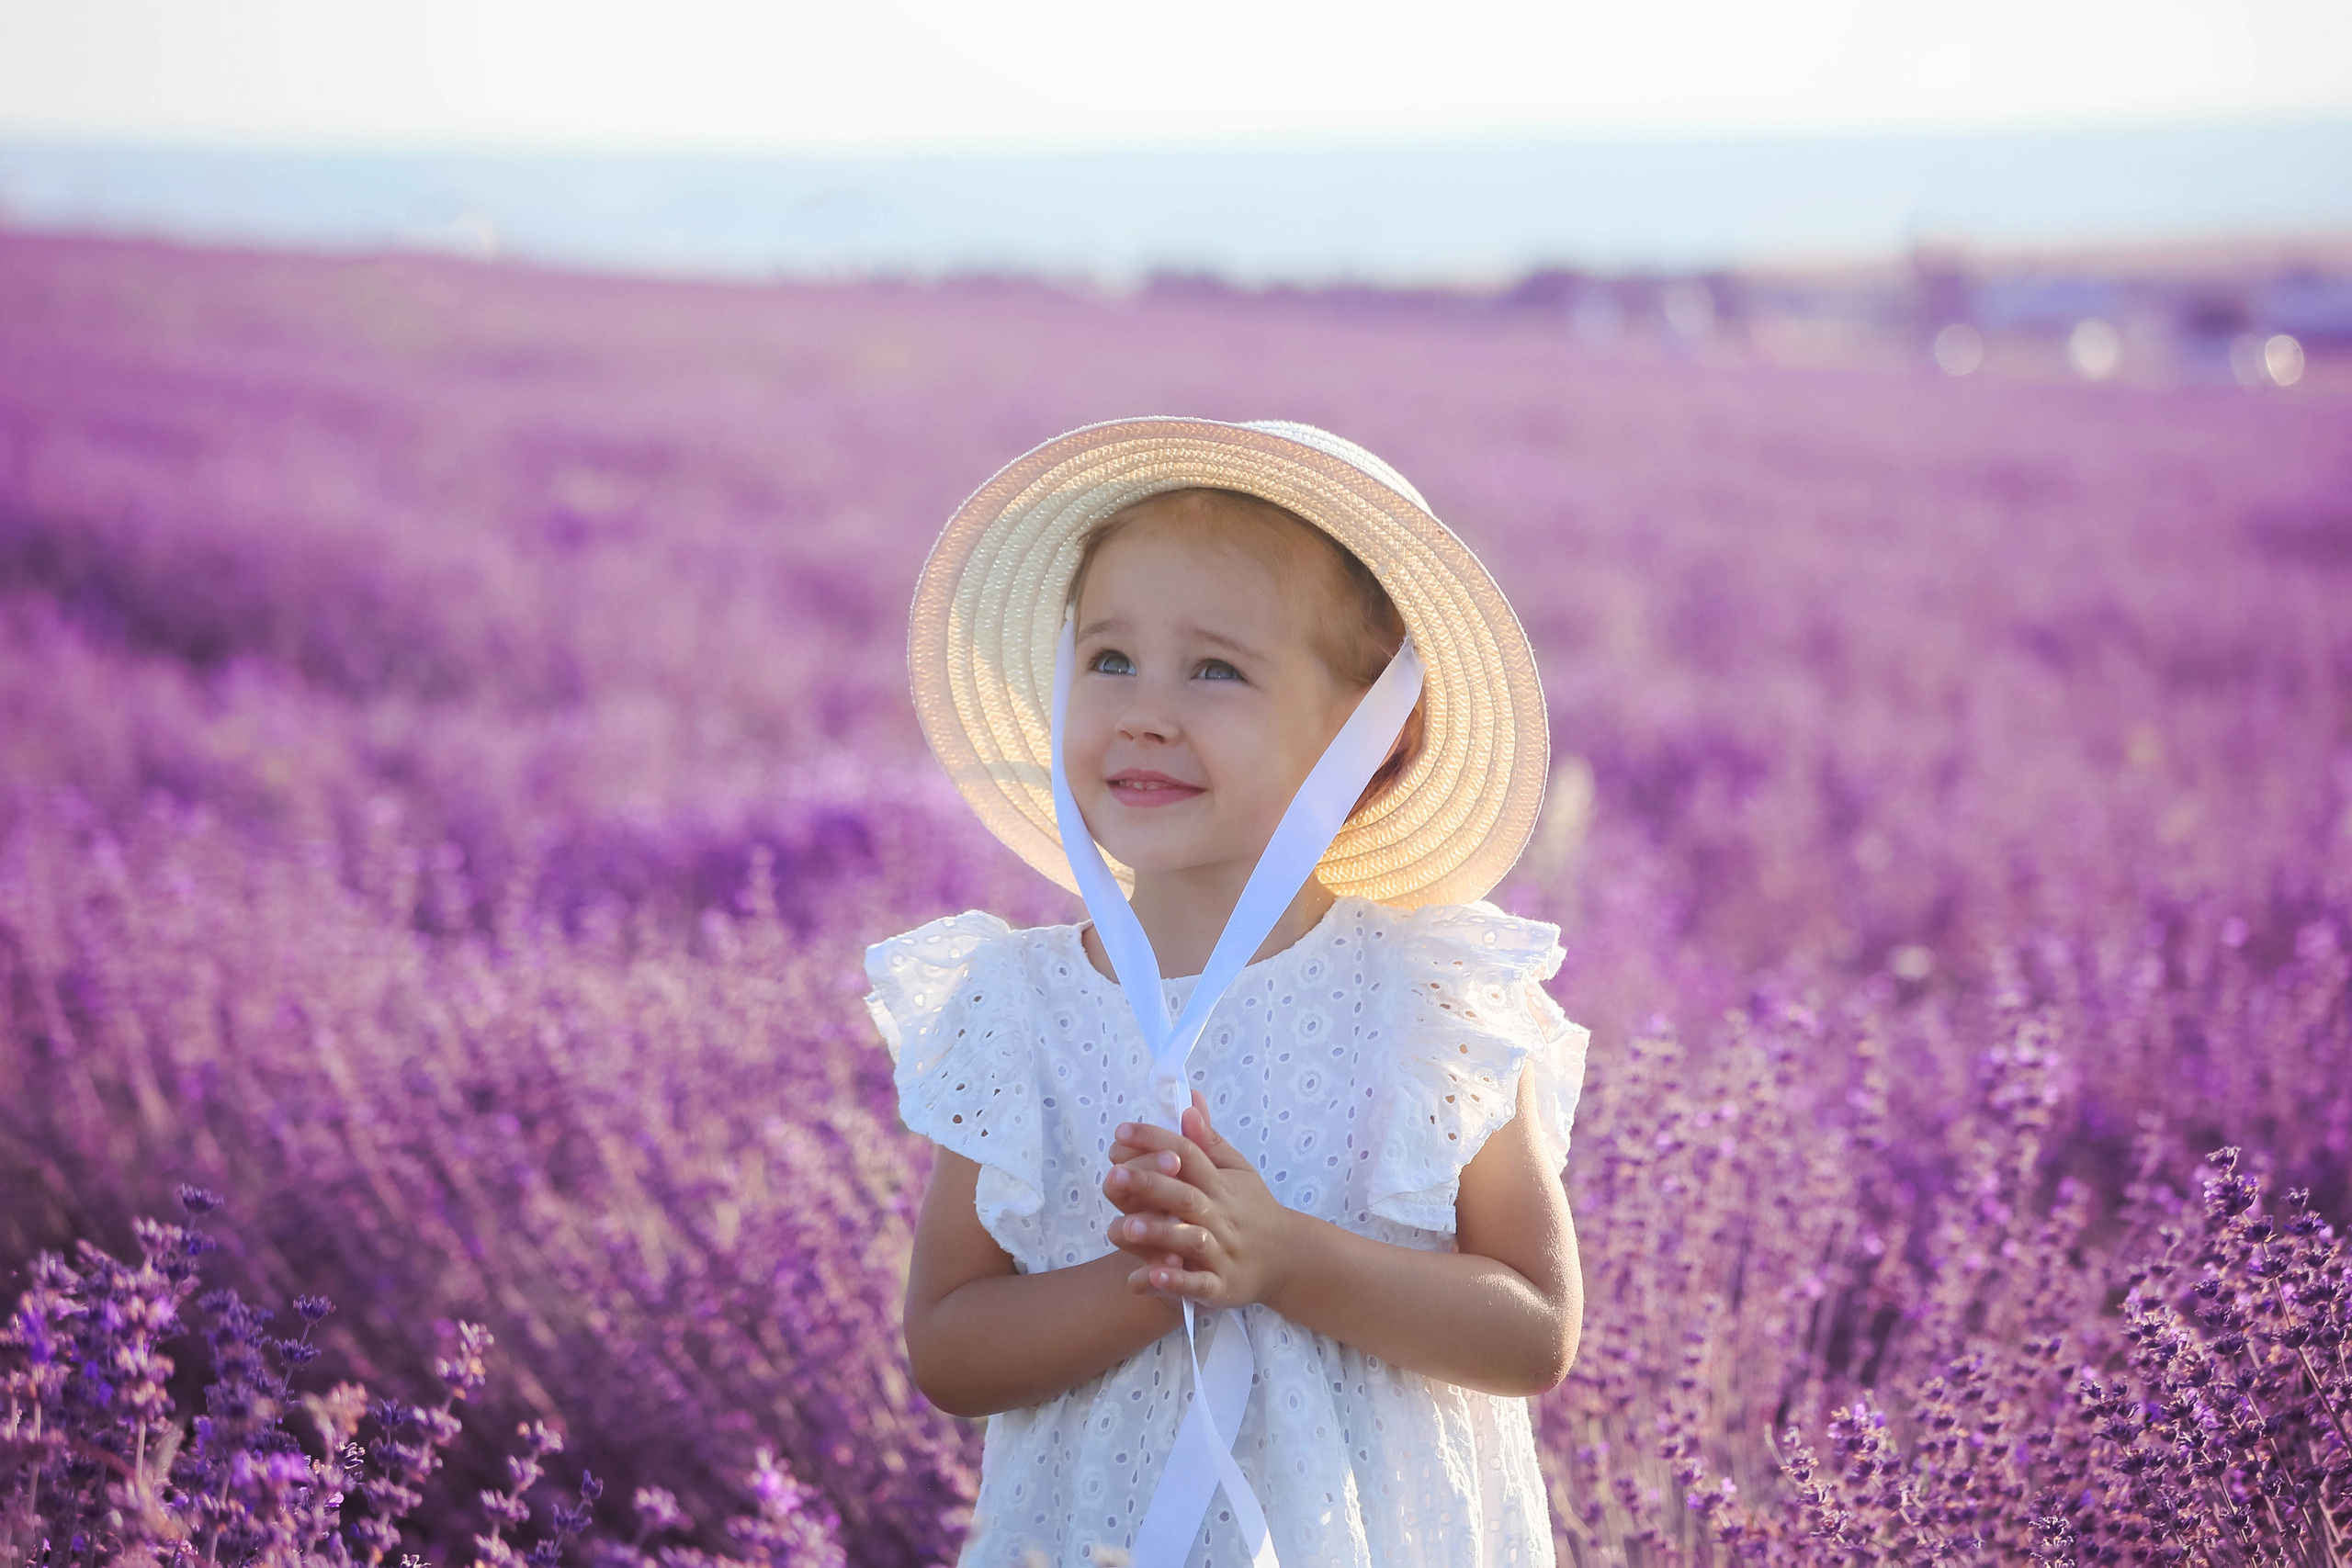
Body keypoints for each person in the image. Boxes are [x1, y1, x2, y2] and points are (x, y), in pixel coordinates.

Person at [865, 418, 1589, 1568]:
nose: (1144, 708)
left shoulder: (1430, 1001)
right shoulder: (1018, 1007)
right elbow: (948, 1347)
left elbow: (1536, 1329)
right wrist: (1160, 1276)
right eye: (1107, 660)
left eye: (1214, 668)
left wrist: (1290, 1261)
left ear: (1373, 739)